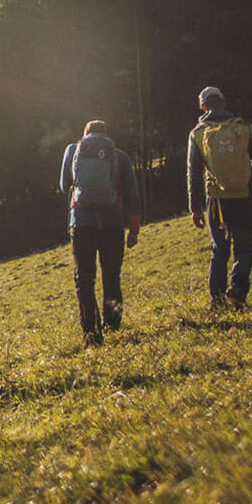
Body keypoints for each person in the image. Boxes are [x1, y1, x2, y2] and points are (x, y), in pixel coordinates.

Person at [186, 86, 252, 309]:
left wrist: (194, 207)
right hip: (244, 195)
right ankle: (238, 289)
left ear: (203, 106)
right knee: (245, 248)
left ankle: (217, 299)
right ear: (223, 102)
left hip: (217, 201)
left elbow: (193, 173)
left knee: (219, 251)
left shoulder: (198, 132)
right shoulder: (244, 127)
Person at [59, 119, 142, 346]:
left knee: (84, 279)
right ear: (106, 135)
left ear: (85, 134)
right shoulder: (120, 156)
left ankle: (91, 331)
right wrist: (133, 229)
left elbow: (64, 186)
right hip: (112, 223)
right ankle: (113, 324)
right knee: (111, 275)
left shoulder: (73, 150)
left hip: (81, 223)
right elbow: (132, 194)